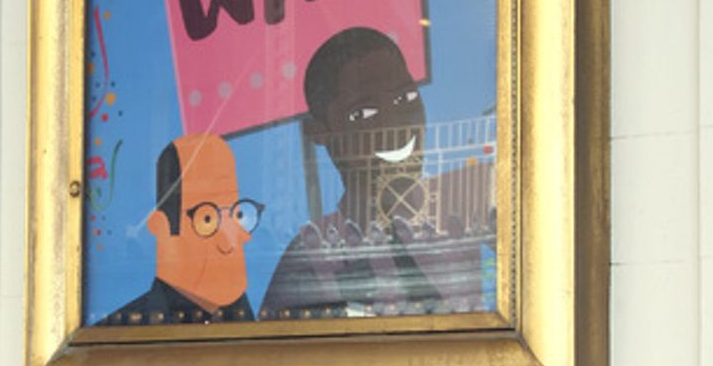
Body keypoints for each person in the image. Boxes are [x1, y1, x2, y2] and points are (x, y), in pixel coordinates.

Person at [260, 26, 491, 319]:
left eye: (405, 99)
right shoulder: (310, 256)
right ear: (319, 132)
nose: (395, 124)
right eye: (363, 114)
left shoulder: (463, 204)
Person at [97, 132, 262, 325]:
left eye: (237, 216)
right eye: (207, 219)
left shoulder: (257, 327)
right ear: (161, 228)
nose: (231, 241)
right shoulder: (117, 334)